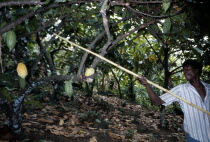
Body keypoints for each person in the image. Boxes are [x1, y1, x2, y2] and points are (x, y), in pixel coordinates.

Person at [137, 59, 210, 142]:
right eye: (184, 70)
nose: (185, 72)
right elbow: (157, 102)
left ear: (197, 70)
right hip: (195, 136)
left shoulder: (208, 88)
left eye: (188, 69)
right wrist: (146, 85)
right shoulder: (180, 90)